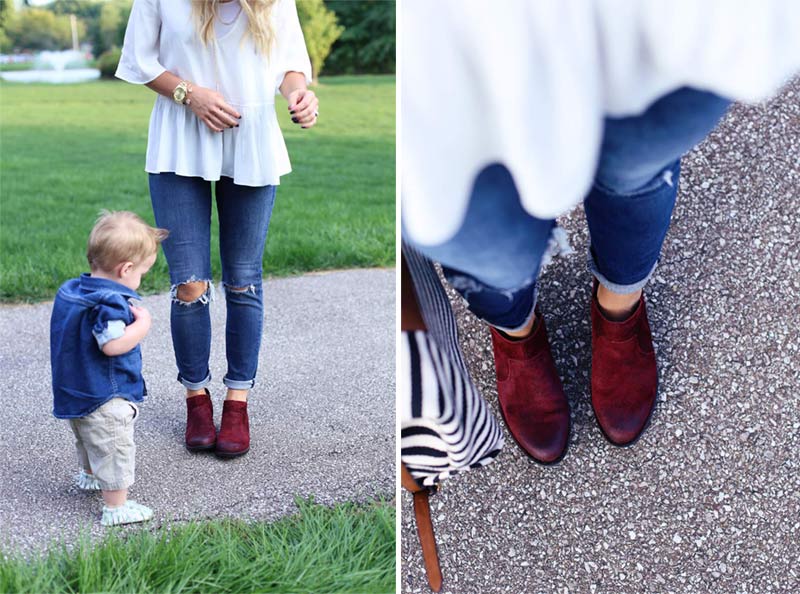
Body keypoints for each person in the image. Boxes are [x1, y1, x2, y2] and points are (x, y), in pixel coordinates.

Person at [401, 0, 800, 464]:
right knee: (484, 239)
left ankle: (618, 306)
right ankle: (516, 332)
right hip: (446, 44)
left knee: (640, 167)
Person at [115, 0, 316, 457]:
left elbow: (290, 64)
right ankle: (196, 399)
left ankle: (237, 404)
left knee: (243, 282)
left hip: (251, 136)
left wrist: (298, 94)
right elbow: (139, 61)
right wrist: (191, 94)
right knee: (189, 284)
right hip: (179, 136)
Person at [50, 211, 167, 526]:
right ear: (126, 269)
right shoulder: (111, 303)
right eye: (142, 272)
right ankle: (116, 507)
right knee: (113, 445)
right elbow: (112, 344)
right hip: (105, 394)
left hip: (73, 387)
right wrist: (143, 324)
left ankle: (90, 476)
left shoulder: (72, 291)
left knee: (88, 437)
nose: (140, 279)